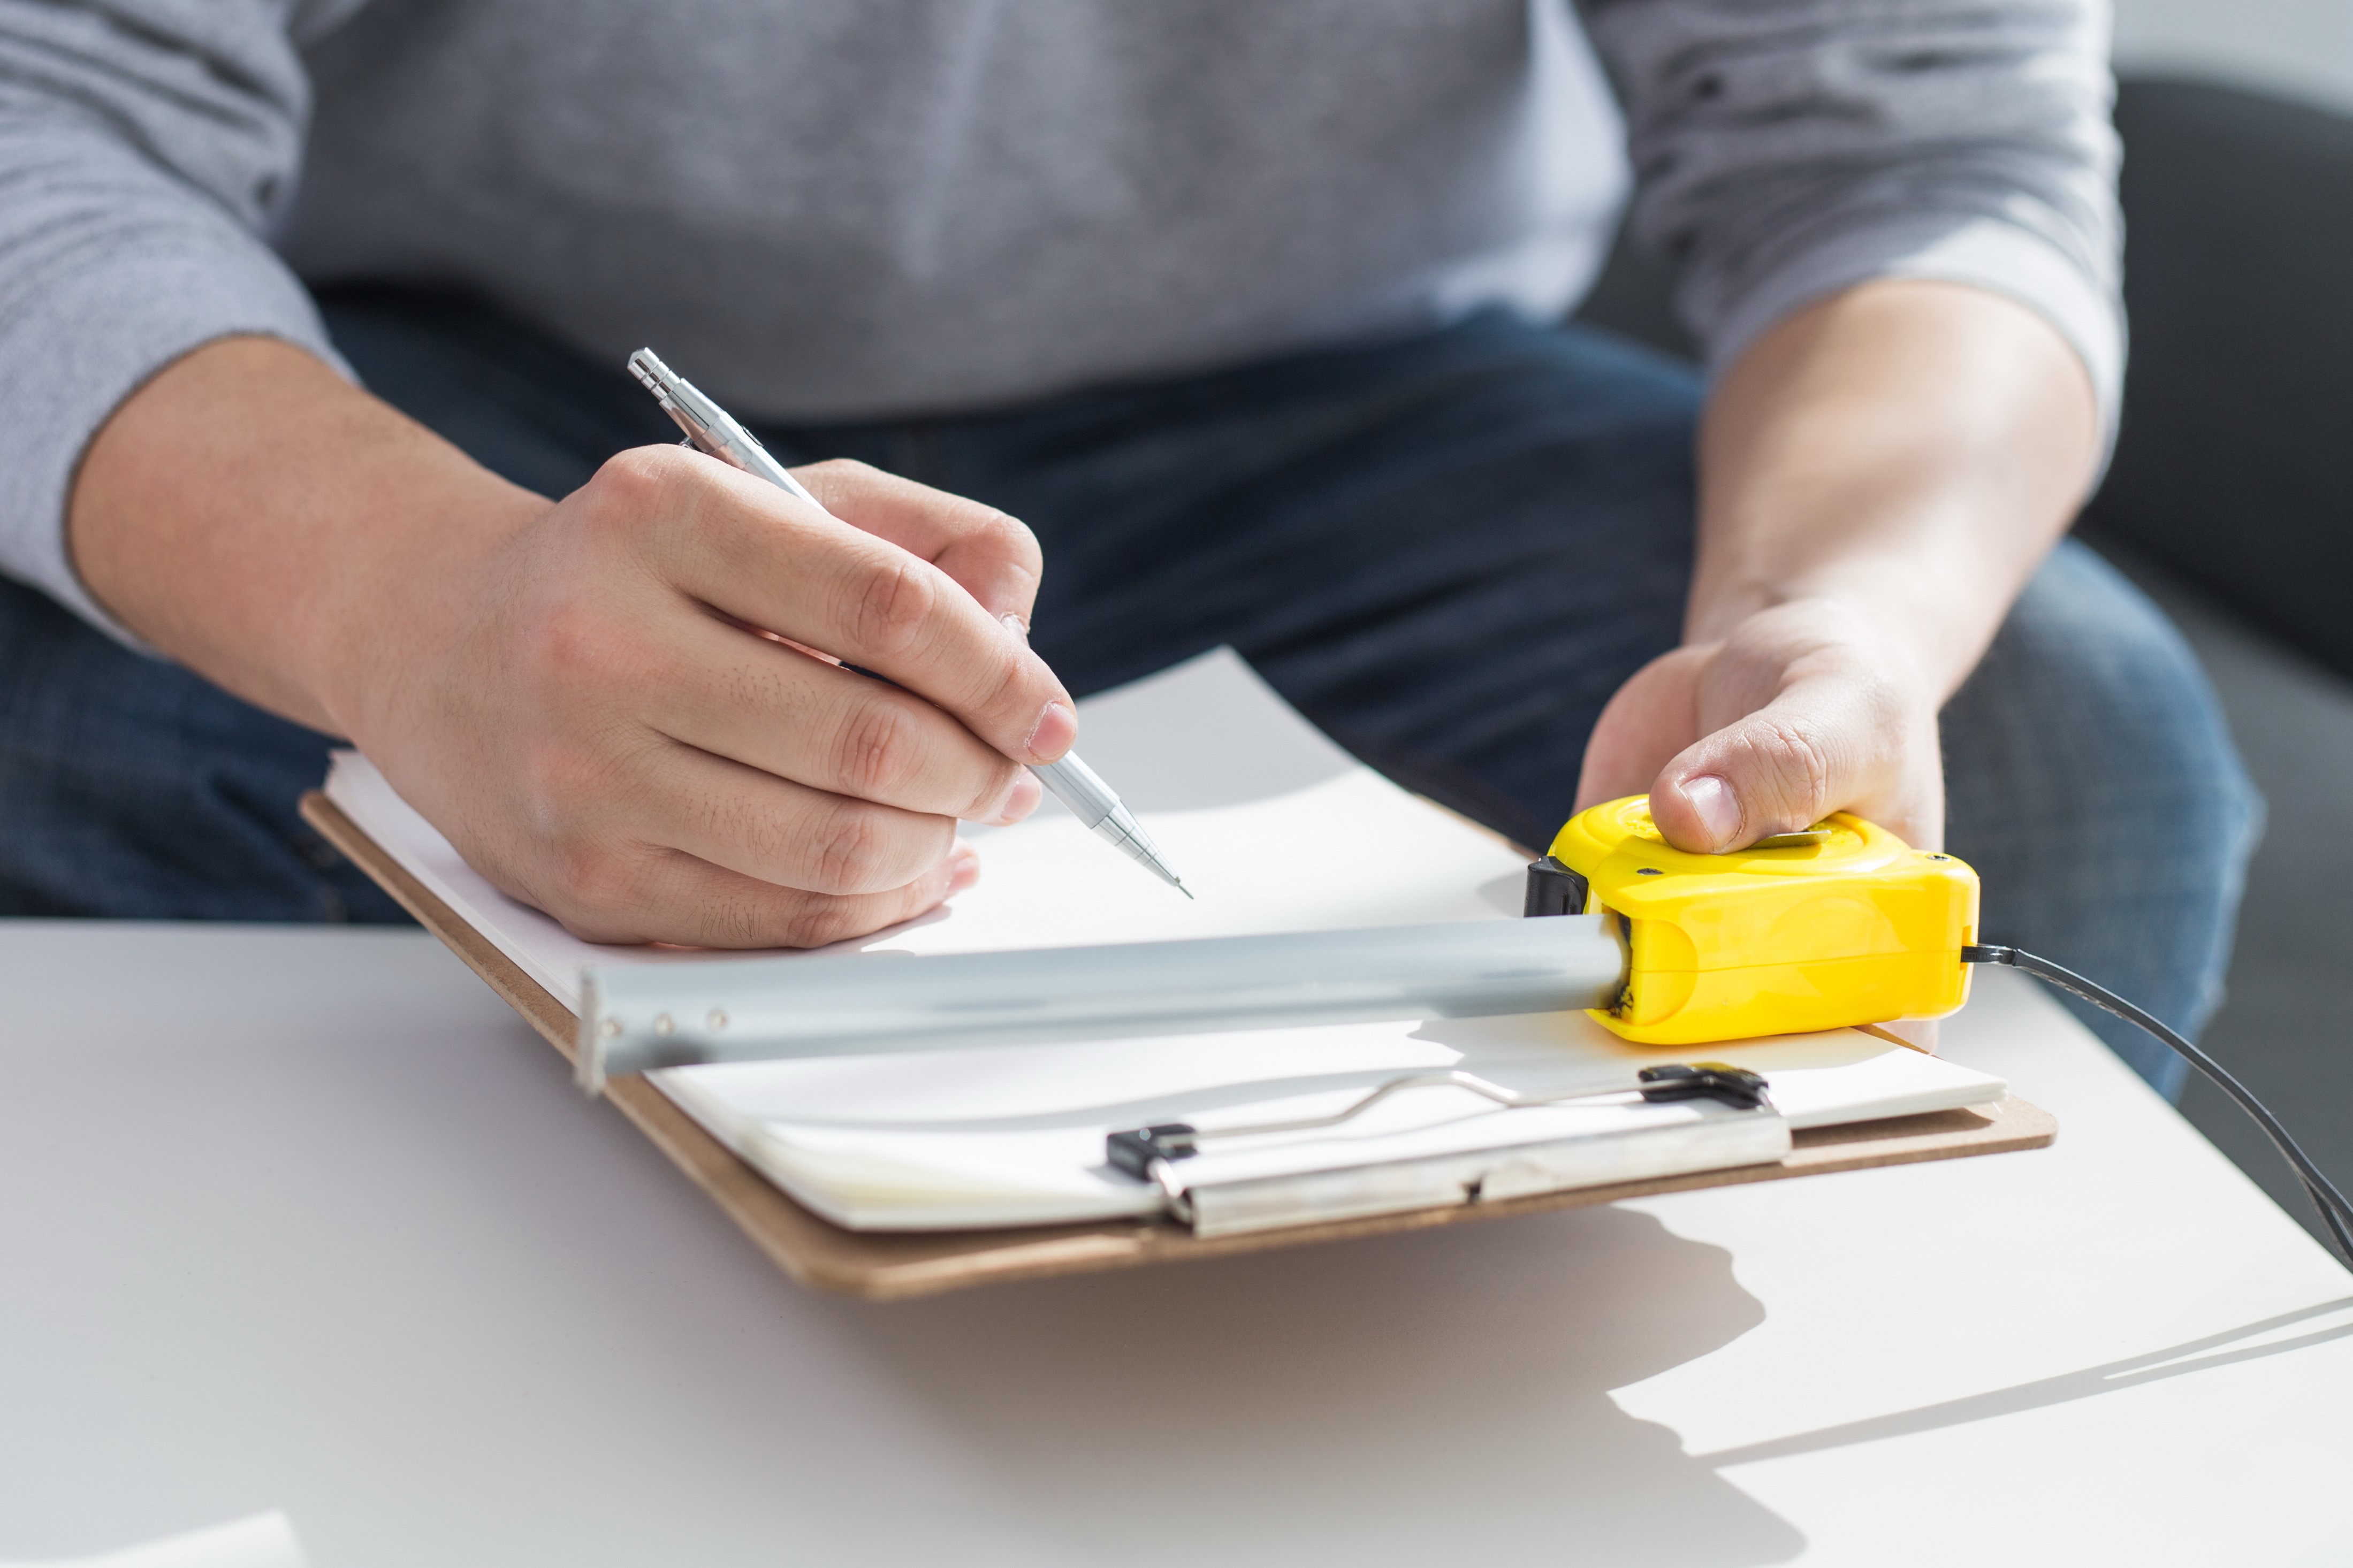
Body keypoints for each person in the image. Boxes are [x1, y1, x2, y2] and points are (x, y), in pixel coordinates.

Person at [0, 2, 2258, 1093]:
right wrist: (417, 613)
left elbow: (1913, 155)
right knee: (92, 715)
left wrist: (1830, 611)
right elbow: (43, 115)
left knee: (2037, 739)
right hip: (454, 399)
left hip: (1354, 394)